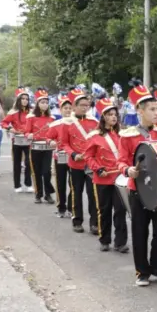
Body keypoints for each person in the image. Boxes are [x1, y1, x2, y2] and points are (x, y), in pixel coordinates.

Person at [117, 82, 157, 287]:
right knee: (140, 232)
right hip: (138, 191)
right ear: (140, 111)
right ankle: (142, 272)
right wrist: (128, 170)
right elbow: (121, 161)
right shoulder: (128, 136)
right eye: (152, 109)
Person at [84, 98, 128, 253]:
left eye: (115, 114)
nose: (113, 117)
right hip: (102, 177)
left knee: (121, 210)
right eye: (109, 114)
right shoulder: (94, 136)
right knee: (104, 209)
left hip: (119, 177)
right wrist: (97, 168)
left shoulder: (123, 134)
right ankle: (104, 240)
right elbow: (88, 157)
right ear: (103, 117)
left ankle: (120, 242)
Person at [60, 87, 99, 234]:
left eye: (86, 106)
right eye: (81, 105)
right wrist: (73, 154)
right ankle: (77, 221)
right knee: (76, 192)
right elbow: (64, 143)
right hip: (75, 163)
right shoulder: (67, 123)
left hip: (90, 164)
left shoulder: (94, 122)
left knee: (92, 193)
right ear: (74, 107)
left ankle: (94, 223)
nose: (84, 108)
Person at [25, 89, 56, 204]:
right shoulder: (31, 117)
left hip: (47, 148)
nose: (44, 104)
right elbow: (26, 132)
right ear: (37, 104)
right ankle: (38, 194)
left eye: (46, 102)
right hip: (35, 148)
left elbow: (54, 134)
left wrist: (53, 141)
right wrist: (29, 135)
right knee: (37, 172)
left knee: (46, 171)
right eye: (42, 102)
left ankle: (48, 194)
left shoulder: (52, 118)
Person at [1, 88, 34, 193]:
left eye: (26, 99)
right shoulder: (13, 112)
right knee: (17, 163)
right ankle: (17, 185)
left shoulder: (32, 112)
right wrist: (10, 128)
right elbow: (4, 123)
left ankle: (28, 184)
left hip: (28, 140)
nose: (25, 101)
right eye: (22, 99)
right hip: (17, 140)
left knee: (29, 163)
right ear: (19, 100)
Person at [47, 95, 73, 218]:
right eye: (65, 108)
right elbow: (48, 137)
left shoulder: (76, 124)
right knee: (60, 183)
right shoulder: (55, 124)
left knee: (74, 184)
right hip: (60, 157)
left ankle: (71, 206)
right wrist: (50, 142)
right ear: (60, 110)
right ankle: (61, 207)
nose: (68, 110)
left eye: (70, 108)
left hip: (74, 158)